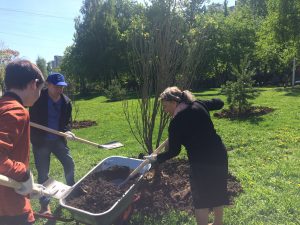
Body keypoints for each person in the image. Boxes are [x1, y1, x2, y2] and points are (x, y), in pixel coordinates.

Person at [144, 86, 229, 225]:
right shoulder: (199, 104)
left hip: (201, 163)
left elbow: (174, 152)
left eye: (165, 106)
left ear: (174, 102)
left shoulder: (176, 123)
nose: (165, 110)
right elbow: (219, 102)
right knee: (217, 190)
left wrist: (156, 158)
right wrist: (203, 103)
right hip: (219, 154)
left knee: (201, 199)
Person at [0, 59, 45, 225]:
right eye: (41, 89)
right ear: (34, 84)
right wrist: (24, 175)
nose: (39, 95)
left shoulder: (2, 106)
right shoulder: (16, 111)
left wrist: (26, 186)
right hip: (10, 208)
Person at [29, 72, 75, 214]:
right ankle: (45, 205)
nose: (60, 90)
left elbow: (66, 122)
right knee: (43, 174)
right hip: (41, 142)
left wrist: (67, 131)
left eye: (62, 87)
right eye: (56, 86)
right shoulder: (38, 99)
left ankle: (71, 192)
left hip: (57, 140)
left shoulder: (66, 102)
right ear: (47, 85)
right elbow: (32, 119)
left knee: (69, 163)